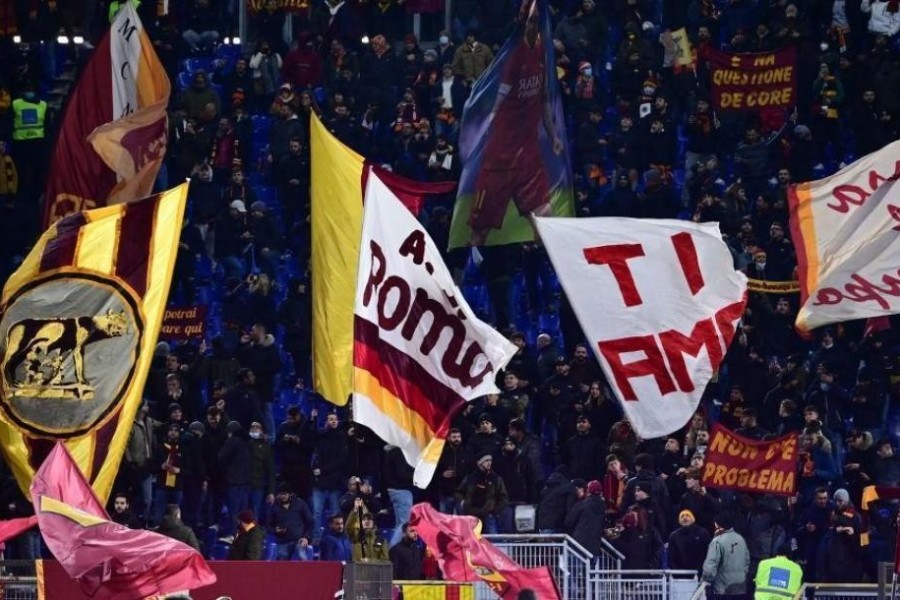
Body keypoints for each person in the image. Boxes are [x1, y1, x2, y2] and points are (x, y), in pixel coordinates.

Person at [466, 7, 564, 246]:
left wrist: (553, 137)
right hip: (500, 155)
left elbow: (542, 100)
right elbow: (497, 101)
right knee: (480, 231)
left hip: (528, 154)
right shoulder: (514, 55)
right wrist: (484, 129)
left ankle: (545, 275)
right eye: (530, 22)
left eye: (537, 23)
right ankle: (468, 276)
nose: (534, 27)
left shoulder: (543, 54)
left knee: (545, 218)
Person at [702, 511, 750, 599]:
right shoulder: (740, 539)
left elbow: (710, 566)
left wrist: (706, 579)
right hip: (740, 588)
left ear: (718, 525)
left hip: (723, 588)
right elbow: (746, 561)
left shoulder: (717, 541)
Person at [268, 482, 314, 560]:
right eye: (281, 494)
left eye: (285, 494)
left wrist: (306, 537)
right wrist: (275, 530)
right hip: (282, 542)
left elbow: (310, 522)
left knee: (302, 557)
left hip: (299, 540)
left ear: (290, 494)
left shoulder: (300, 503)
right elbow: (268, 525)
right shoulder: (274, 506)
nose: (283, 496)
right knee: (282, 565)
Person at [668, 510, 712, 574]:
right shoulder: (674, 536)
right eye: (682, 516)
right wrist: (677, 572)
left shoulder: (703, 533)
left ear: (692, 518)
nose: (685, 518)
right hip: (680, 575)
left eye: (687, 515)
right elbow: (671, 557)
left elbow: (709, 552)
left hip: (700, 573)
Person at [347, 498, 390, 562]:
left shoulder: (382, 540)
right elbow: (348, 527)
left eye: (369, 519)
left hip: (375, 571)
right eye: (364, 520)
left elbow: (386, 561)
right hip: (358, 570)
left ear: (374, 523)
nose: (366, 521)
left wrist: (370, 561)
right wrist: (355, 510)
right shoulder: (356, 536)